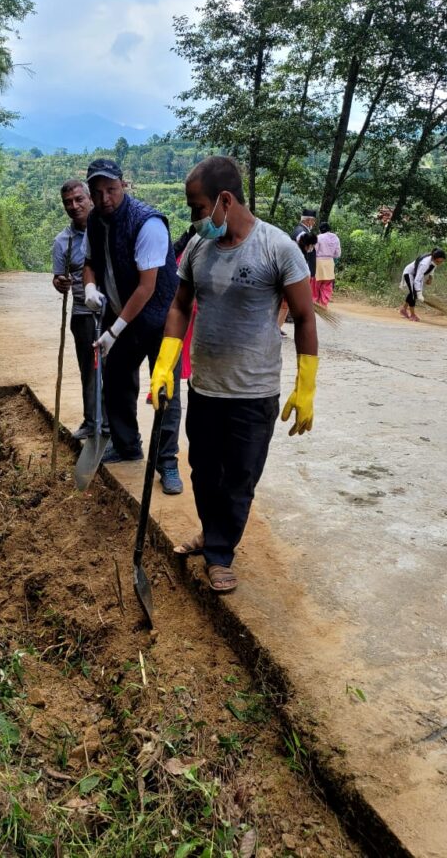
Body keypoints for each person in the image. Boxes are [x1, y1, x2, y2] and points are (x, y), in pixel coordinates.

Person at [150, 156, 319, 593]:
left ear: (225, 200)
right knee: (204, 472)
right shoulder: (198, 248)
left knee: (239, 478)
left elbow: (304, 316)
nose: (194, 218)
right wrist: (166, 364)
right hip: (206, 387)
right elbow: (180, 305)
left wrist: (306, 387)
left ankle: (220, 553)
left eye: (198, 207)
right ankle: (214, 533)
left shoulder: (277, 248)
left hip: (253, 392)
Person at [82, 158, 184, 495]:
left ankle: (167, 463)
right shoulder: (96, 221)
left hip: (160, 318)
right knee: (116, 379)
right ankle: (127, 445)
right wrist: (90, 287)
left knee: (164, 389)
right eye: (97, 192)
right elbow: (90, 262)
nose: (104, 198)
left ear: (123, 185)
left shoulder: (148, 224)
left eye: (110, 190)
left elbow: (147, 287)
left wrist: (113, 332)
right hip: (120, 312)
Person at [52, 179, 97, 440]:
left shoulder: (108, 229)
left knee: (117, 371)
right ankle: (92, 421)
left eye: (79, 199)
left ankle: (117, 426)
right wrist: (60, 282)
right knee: (88, 370)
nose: (74, 205)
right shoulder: (63, 242)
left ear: (90, 199)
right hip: (82, 313)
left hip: (114, 311)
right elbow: (58, 278)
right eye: (68, 202)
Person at [399, 248, 446, 322]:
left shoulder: (434, 260)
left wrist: (430, 278)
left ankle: (403, 309)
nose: (439, 263)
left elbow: (433, 267)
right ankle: (412, 315)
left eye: (441, 262)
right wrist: (419, 293)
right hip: (409, 273)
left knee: (412, 292)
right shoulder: (424, 264)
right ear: (434, 258)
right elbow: (417, 280)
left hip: (415, 275)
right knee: (413, 294)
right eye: (438, 261)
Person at [314, 222, 341, 307]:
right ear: (329, 229)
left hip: (319, 262)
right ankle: (323, 304)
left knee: (316, 284)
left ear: (320, 229)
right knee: (327, 284)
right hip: (330, 262)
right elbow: (338, 254)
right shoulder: (336, 238)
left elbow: (314, 250)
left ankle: (314, 303)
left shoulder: (318, 237)